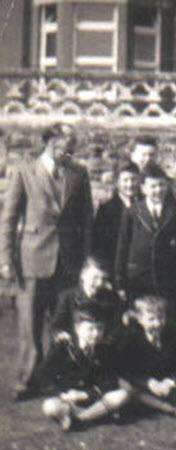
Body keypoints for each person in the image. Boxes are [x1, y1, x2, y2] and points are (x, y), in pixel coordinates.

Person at [0, 124, 93, 400]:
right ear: (50, 142)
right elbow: (9, 219)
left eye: (72, 145)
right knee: (30, 322)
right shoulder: (24, 171)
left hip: (68, 261)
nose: (71, 150)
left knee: (62, 321)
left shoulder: (79, 174)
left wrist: (86, 261)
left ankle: (58, 377)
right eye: (66, 144)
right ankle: (27, 378)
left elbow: (87, 220)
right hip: (31, 259)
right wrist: (5, 258)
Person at [116, 295, 176, 429]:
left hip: (170, 387)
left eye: (160, 318)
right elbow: (128, 371)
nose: (157, 323)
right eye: (151, 319)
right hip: (147, 389)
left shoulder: (175, 335)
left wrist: (170, 381)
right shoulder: (131, 340)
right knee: (125, 386)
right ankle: (171, 409)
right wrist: (149, 382)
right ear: (140, 319)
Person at [35, 309, 130, 432]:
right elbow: (42, 375)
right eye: (90, 329)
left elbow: (110, 381)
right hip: (69, 398)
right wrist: (62, 394)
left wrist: (86, 394)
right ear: (77, 329)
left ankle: (80, 419)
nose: (96, 334)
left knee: (121, 395)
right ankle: (98, 415)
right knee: (49, 406)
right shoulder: (63, 347)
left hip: (92, 399)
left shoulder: (105, 350)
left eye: (100, 329)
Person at [115, 163, 176, 302]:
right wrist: (120, 283)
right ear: (143, 188)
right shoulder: (132, 213)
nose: (158, 190)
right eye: (153, 186)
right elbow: (122, 249)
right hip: (138, 282)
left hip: (168, 283)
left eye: (162, 185)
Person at [51, 257, 123, 345]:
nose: (99, 283)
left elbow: (116, 328)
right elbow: (57, 326)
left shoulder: (111, 298)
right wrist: (61, 335)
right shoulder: (67, 298)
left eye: (103, 279)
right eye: (95, 278)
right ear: (83, 275)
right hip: (73, 345)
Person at [92, 160, 140, 272]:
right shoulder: (106, 209)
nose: (130, 184)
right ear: (117, 182)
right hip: (114, 267)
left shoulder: (145, 205)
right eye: (125, 180)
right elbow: (100, 245)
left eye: (133, 179)